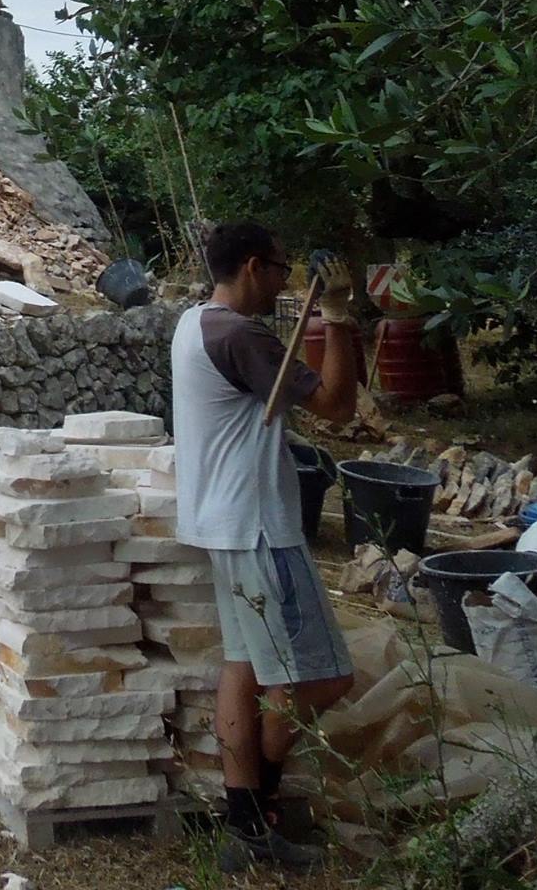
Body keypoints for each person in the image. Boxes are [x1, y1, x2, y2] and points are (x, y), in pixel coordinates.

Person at [171, 222, 364, 873]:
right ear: (254, 266)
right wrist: (338, 318)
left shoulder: (193, 323)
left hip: (221, 527)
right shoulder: (242, 336)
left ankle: (245, 824)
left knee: (244, 668)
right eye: (281, 269)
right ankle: (262, 811)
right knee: (319, 676)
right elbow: (337, 406)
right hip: (261, 531)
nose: (287, 281)